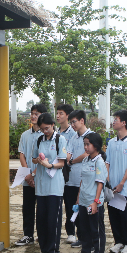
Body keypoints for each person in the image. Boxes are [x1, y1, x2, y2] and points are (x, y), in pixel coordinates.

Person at [31, 113, 67, 253]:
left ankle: (54, 252)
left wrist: (50, 165)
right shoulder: (39, 139)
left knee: (53, 219)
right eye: (42, 129)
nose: (45, 132)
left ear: (53, 125)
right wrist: (38, 160)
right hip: (41, 186)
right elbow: (33, 158)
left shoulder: (60, 139)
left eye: (46, 128)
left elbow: (62, 162)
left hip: (54, 186)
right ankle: (44, 249)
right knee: (41, 219)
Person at [106, 110, 127, 253]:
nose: (114, 121)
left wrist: (122, 183)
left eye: (116, 119)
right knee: (113, 215)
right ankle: (118, 241)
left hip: (123, 187)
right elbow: (107, 162)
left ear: (124, 123)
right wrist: (107, 180)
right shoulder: (112, 142)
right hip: (112, 187)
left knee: (124, 215)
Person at [15, 104, 47, 246]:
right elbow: (22, 154)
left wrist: (34, 174)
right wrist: (27, 174)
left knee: (42, 209)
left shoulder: (46, 135)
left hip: (41, 177)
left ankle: (43, 235)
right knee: (27, 207)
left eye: (37, 113)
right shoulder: (25, 135)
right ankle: (28, 235)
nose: (33, 116)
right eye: (32, 113)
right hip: (27, 178)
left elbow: (45, 158)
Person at [75, 132, 107, 253]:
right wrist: (78, 198)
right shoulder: (85, 160)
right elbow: (82, 180)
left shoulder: (99, 162)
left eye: (88, 144)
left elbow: (100, 183)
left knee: (96, 229)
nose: (86, 147)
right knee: (84, 229)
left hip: (93, 202)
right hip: (83, 200)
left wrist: (96, 202)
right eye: (84, 144)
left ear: (96, 145)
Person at [65, 110, 93, 248]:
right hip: (71, 180)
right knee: (73, 209)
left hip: (85, 181)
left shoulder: (91, 136)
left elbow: (86, 154)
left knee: (84, 211)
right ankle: (79, 236)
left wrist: (72, 161)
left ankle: (88, 239)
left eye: (74, 121)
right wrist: (69, 160)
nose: (72, 125)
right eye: (71, 122)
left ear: (82, 120)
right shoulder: (73, 137)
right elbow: (67, 153)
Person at [55, 104, 76, 243]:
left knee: (70, 204)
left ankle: (71, 232)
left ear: (67, 116)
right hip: (55, 173)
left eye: (61, 113)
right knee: (56, 204)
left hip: (69, 174)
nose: (58, 116)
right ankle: (55, 231)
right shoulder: (55, 132)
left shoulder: (73, 134)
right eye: (57, 113)